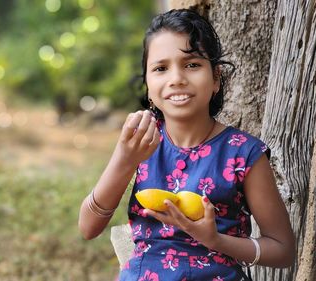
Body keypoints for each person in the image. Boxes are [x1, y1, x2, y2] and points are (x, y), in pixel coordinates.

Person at [78, 9, 295, 281]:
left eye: (192, 64)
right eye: (160, 68)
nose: (177, 78)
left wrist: (216, 240)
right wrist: (124, 160)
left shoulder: (244, 153)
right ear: (148, 84)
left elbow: (284, 250)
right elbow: (88, 228)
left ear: (216, 78)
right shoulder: (141, 140)